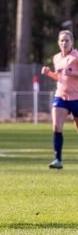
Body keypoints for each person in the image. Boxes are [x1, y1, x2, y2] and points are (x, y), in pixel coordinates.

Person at [41, 30, 78, 169]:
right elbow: (60, 77)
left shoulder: (76, 56)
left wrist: (72, 73)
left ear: (72, 42)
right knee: (56, 127)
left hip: (76, 97)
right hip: (61, 96)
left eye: (67, 40)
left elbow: (69, 74)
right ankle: (58, 160)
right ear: (58, 42)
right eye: (62, 40)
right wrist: (49, 73)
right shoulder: (56, 58)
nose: (64, 43)